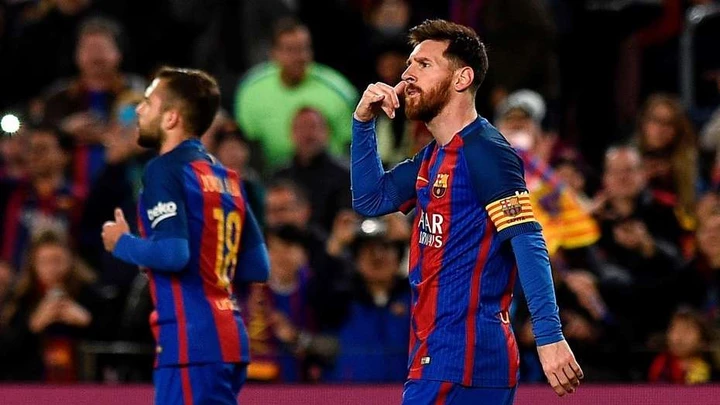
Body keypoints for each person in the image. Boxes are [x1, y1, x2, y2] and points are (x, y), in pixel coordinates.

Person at [350, 19, 582, 404]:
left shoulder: (487, 152)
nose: (407, 75)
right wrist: (362, 124)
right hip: (444, 355)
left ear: (462, 78)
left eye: (424, 64)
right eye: (409, 65)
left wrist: (549, 336)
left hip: (463, 358)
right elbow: (371, 200)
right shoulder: (434, 157)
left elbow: (527, 241)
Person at [100, 67, 270, 404]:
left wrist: (122, 242)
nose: (139, 109)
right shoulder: (226, 178)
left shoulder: (164, 170)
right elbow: (257, 266)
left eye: (148, 102)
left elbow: (174, 255)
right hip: (229, 339)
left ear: (171, 118)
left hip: (190, 342)